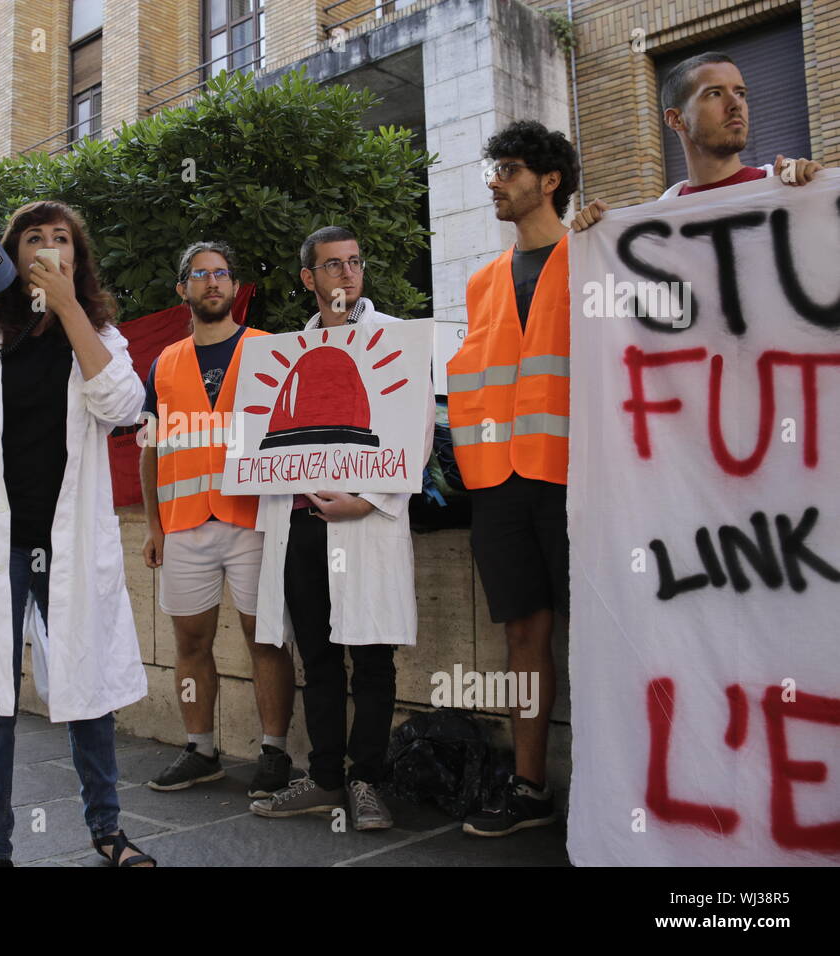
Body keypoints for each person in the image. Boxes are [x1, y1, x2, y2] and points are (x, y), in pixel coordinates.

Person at [0, 200, 153, 866]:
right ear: (10, 256)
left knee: (89, 683)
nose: (48, 247)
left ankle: (108, 830)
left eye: (63, 238)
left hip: (68, 542)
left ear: (78, 257)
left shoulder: (100, 335)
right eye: (34, 238)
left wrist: (71, 310)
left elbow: (124, 405)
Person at [248, 226, 433, 829]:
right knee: (319, 657)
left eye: (355, 263)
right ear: (309, 278)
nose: (347, 275)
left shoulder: (395, 341)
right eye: (332, 266)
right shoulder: (282, 354)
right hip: (302, 525)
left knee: (372, 657)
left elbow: (417, 432)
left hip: (363, 522)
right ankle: (326, 777)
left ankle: (368, 781)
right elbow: (260, 438)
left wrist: (369, 499)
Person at [447, 120, 577, 837]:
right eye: (493, 170)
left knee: (600, 632)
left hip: (576, 481)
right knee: (523, 633)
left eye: (508, 169)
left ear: (548, 180)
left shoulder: (595, 256)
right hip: (499, 483)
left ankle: (622, 780)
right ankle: (531, 790)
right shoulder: (482, 281)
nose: (495, 182)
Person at [141, 241, 296, 798]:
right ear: (182, 289)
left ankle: (274, 753)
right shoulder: (163, 363)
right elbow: (151, 450)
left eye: (222, 274)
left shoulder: (270, 350)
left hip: (255, 519)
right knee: (189, 643)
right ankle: (200, 749)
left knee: (268, 640)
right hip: (184, 525)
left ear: (234, 287)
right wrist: (154, 527)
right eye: (199, 275)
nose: (212, 283)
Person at [572, 51, 825, 231]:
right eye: (714, 93)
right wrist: (596, 238)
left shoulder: (787, 187)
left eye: (740, 93)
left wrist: (817, 193)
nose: (736, 104)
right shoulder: (656, 226)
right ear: (675, 120)